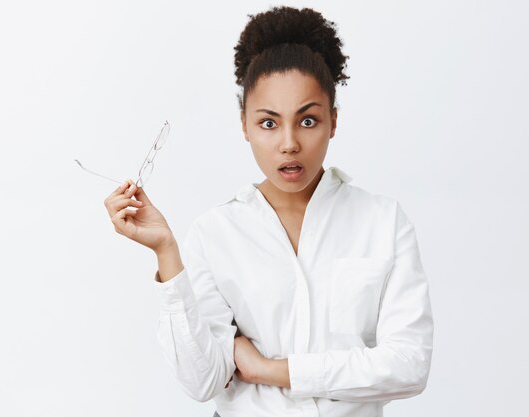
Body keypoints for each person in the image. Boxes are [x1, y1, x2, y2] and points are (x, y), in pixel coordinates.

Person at [104, 5, 434, 417]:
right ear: (244, 124)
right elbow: (203, 381)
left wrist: (271, 370)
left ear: (333, 120)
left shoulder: (384, 222)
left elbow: (408, 366)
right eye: (268, 123)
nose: (289, 143)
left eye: (308, 121)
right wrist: (166, 252)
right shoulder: (216, 233)